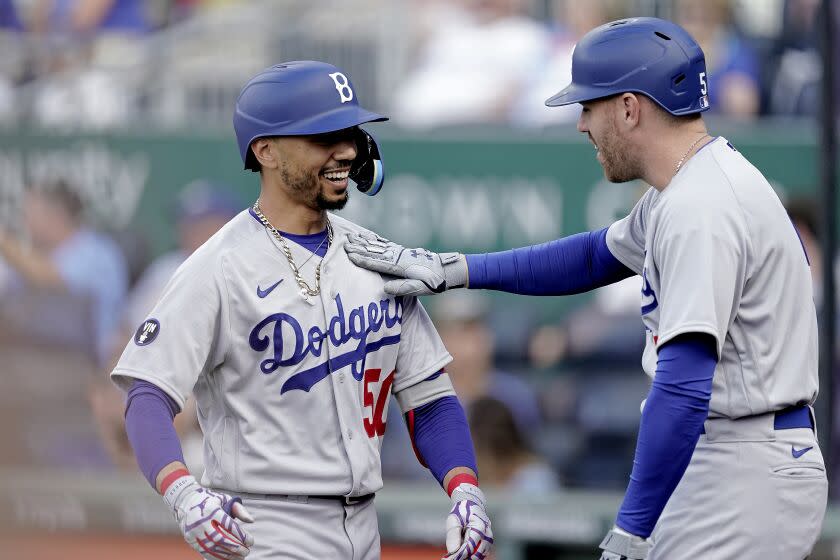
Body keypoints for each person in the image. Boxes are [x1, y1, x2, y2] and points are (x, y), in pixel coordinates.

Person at [345, 17, 826, 560]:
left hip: (747, 464)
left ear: (628, 108)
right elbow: (593, 256)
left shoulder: (701, 208)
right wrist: (458, 268)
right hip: (731, 458)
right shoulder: (688, 188)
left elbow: (685, 385)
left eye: (588, 106)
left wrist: (631, 529)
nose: (580, 125)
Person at [110, 60, 492, 560]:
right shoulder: (218, 267)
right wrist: (180, 490)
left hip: (364, 525)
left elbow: (429, 397)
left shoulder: (378, 258)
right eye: (323, 136)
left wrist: (464, 485)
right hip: (264, 527)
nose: (348, 150)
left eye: (350, 133)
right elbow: (146, 395)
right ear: (265, 150)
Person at [0, 179, 128, 365]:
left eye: (30, 214)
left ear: (57, 215)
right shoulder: (34, 256)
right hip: (31, 363)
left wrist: (3, 241)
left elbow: (48, 280)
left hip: (86, 368)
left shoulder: (96, 253)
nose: (24, 221)